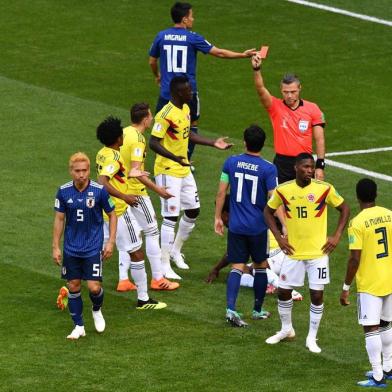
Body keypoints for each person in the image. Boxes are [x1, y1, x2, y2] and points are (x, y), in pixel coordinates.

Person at [264, 152, 350, 352]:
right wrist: (278, 237)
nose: (310, 171)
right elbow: (267, 212)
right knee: (283, 292)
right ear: (296, 168)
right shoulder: (283, 190)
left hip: (318, 254)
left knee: (316, 295)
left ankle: (312, 338)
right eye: (306, 167)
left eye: (312, 167)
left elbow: (345, 208)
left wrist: (336, 235)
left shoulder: (324, 189)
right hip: (293, 253)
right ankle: (286, 329)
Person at [149, 1, 255, 161]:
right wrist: (243, 55)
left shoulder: (161, 36)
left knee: (161, 127)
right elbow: (219, 53)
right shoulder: (193, 38)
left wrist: (157, 76)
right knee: (191, 125)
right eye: (191, 16)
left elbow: (152, 61)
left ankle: (164, 159)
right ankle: (185, 159)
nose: (193, 19)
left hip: (166, 92)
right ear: (184, 19)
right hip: (187, 92)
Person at [149, 75, 232, 274]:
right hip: (168, 170)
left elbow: (188, 134)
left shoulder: (185, 109)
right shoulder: (165, 114)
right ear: (178, 93)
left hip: (183, 168)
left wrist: (213, 142)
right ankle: (164, 263)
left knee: (193, 210)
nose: (191, 93)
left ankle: (175, 251)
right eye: (188, 90)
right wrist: (175, 157)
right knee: (170, 217)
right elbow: (153, 142)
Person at [96, 116, 166, 310]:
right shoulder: (115, 157)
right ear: (117, 138)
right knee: (136, 252)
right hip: (118, 210)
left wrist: (132, 174)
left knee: (99, 250)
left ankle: (76, 283)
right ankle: (143, 299)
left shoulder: (102, 153)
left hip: (104, 211)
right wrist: (124, 196)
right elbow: (103, 181)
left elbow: (113, 175)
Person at [215, 125, 277, 327]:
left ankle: (230, 309)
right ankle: (257, 310)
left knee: (237, 266)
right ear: (263, 144)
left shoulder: (231, 162)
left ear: (244, 142)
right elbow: (273, 199)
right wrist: (283, 225)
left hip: (236, 225)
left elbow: (221, 192)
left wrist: (217, 217)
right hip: (258, 227)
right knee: (260, 266)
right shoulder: (268, 168)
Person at [52, 152, 117, 339]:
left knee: (94, 287)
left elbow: (112, 214)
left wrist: (110, 242)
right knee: (73, 285)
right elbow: (59, 219)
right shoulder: (63, 191)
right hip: (71, 247)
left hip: (92, 246)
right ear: (71, 171)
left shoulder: (99, 191)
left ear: (89, 170)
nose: (81, 174)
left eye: (85, 170)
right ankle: (79, 326)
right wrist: (55, 246)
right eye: (77, 171)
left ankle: (96, 309)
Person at [118, 102, 180, 288]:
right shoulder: (138, 139)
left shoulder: (124, 132)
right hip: (135, 192)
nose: (152, 118)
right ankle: (158, 279)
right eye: (150, 116)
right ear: (145, 119)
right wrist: (158, 190)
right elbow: (136, 171)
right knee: (152, 231)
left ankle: (123, 280)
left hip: (119, 190)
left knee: (126, 236)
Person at [340, 178, 392, 388]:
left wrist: (345, 287)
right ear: (376, 194)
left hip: (370, 284)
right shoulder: (389, 215)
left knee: (371, 328)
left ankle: (378, 375)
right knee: (386, 324)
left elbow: (354, 259)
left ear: (358, 197)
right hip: (389, 278)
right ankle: (389, 367)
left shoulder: (357, 223)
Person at [206, 195, 303, 301]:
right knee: (237, 273)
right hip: (277, 256)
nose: (220, 220)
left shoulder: (241, 222)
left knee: (256, 268)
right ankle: (266, 285)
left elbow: (231, 253)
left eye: (219, 214)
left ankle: (287, 291)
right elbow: (233, 253)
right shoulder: (245, 216)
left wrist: (216, 269)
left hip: (280, 254)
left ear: (225, 213)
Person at [251, 54, 326, 184]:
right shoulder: (275, 106)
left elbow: (319, 139)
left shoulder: (313, 108)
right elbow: (260, 89)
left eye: (293, 92)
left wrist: (320, 166)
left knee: (306, 200)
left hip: (305, 163)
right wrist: (257, 70)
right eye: (286, 92)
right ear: (281, 90)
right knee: (280, 201)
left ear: (299, 88)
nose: (289, 96)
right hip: (282, 164)